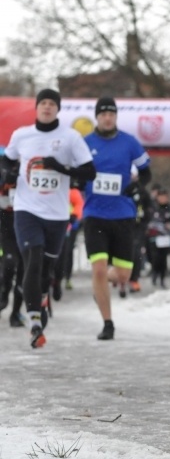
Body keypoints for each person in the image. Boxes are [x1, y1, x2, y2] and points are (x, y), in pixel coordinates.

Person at [0, 89, 96, 348]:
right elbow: (6, 163)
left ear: (58, 109)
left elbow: (90, 172)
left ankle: (42, 296)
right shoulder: (21, 135)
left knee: (46, 269)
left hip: (56, 214)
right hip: (26, 209)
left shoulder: (70, 137)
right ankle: (34, 324)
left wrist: (62, 168)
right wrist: (8, 177)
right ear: (36, 107)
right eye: (42, 102)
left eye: (52, 103)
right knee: (32, 259)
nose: (46, 107)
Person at [82, 97, 151, 339]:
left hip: (123, 214)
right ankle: (108, 323)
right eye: (103, 114)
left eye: (111, 113)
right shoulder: (85, 143)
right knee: (99, 269)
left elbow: (146, 173)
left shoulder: (129, 142)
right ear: (97, 117)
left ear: (116, 117)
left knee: (123, 275)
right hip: (94, 214)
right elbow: (77, 173)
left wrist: (136, 188)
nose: (107, 117)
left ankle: (99, 286)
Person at [0, 147, 25, 328]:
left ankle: (16, 312)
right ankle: (3, 295)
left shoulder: (28, 168)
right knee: (9, 265)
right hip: (5, 227)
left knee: (25, 271)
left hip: (26, 226)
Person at [52, 183, 84, 300]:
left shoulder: (72, 191)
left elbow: (79, 205)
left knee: (66, 253)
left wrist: (74, 217)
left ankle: (65, 278)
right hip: (50, 226)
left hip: (69, 227)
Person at [147, 188, 170, 288]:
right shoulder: (153, 208)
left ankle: (162, 278)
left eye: (164, 197)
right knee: (155, 258)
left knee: (163, 259)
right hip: (154, 238)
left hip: (165, 238)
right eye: (160, 197)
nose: (162, 199)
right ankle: (155, 274)